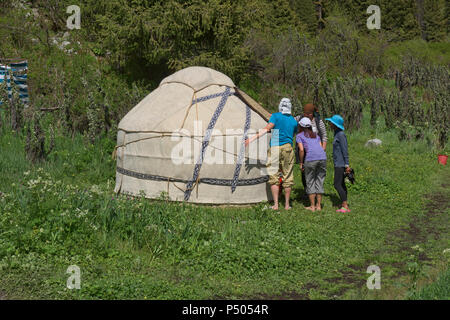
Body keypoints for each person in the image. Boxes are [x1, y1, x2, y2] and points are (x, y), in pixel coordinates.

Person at [245, 98, 298, 210]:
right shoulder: (293, 121)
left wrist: (251, 139)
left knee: (273, 175)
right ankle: (287, 205)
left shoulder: (275, 116)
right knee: (288, 176)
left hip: (275, 147)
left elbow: (267, 129)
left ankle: (276, 204)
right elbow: (292, 134)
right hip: (288, 147)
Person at [296, 117, 327, 211]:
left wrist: (301, 163)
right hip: (322, 158)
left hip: (310, 159)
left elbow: (301, 150)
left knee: (310, 181)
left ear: (300, 126)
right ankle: (319, 206)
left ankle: (312, 206)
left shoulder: (299, 136)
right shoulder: (316, 135)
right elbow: (321, 147)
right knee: (319, 180)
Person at [295, 104, 327, 192]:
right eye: (305, 113)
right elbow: (290, 121)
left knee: (317, 172)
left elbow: (324, 136)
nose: (306, 115)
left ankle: (315, 191)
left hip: (316, 150)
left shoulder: (318, 121)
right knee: (304, 171)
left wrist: (322, 150)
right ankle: (307, 190)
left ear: (312, 113)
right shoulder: (299, 118)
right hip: (304, 149)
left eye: (309, 113)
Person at [325, 115, 351, 213]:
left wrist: (347, 164)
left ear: (335, 124)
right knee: (342, 184)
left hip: (341, 164)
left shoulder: (341, 134)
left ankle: (345, 205)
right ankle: (344, 203)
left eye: (331, 122)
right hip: (338, 163)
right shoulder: (336, 133)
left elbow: (345, 150)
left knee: (337, 184)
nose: (330, 124)